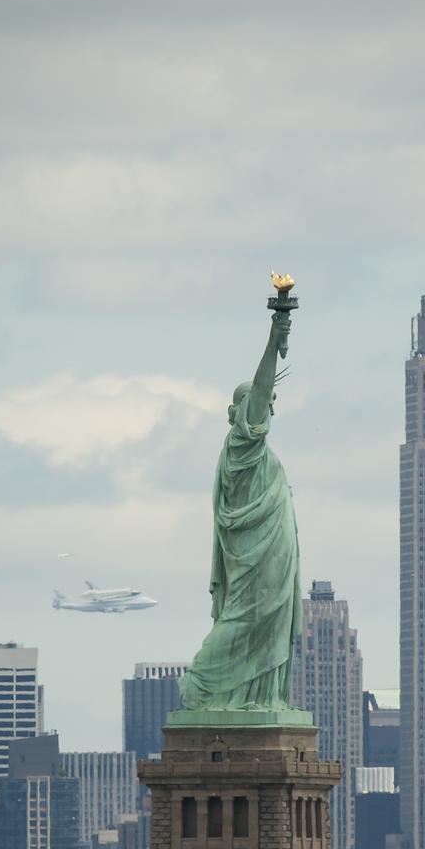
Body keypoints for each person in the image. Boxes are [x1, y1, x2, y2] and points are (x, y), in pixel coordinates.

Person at [180, 294, 302, 715]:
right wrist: (277, 331)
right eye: (260, 404)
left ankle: (261, 696)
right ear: (240, 412)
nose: (267, 409)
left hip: (274, 550)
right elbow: (263, 382)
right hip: (254, 555)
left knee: (268, 622)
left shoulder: (252, 452)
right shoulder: (240, 445)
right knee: (245, 618)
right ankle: (204, 683)